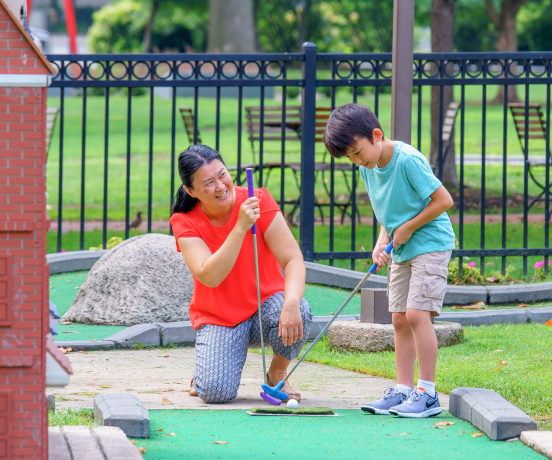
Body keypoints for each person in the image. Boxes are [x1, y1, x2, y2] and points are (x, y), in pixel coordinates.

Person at [324, 103, 456, 418]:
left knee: (416, 314)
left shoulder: (407, 160)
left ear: (377, 135)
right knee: (398, 318)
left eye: (357, 152)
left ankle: (428, 393)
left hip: (431, 243)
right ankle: (403, 390)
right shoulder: (367, 168)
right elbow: (389, 210)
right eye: (349, 157)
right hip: (402, 246)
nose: (356, 160)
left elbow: (444, 200)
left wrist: (408, 228)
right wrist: (382, 241)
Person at [169, 144, 311, 404]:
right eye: (208, 183)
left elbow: (293, 260)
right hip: (220, 317)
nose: (220, 186)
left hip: (266, 309)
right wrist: (240, 226)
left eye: (222, 174)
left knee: (299, 307)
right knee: (215, 393)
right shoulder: (185, 221)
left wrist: (291, 303)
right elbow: (209, 276)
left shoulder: (259, 200)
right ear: (191, 191)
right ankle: (206, 369)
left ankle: (277, 372)